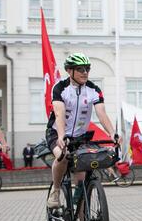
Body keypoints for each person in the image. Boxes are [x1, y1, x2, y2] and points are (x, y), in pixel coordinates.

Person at [46, 53, 117, 210]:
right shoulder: (60, 88)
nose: (85, 72)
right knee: (63, 157)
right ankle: (56, 191)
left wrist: (112, 133)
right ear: (69, 70)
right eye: (80, 69)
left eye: (87, 69)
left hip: (81, 138)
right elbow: (59, 113)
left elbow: (101, 113)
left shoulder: (93, 89)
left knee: (82, 180)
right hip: (57, 133)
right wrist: (61, 135)